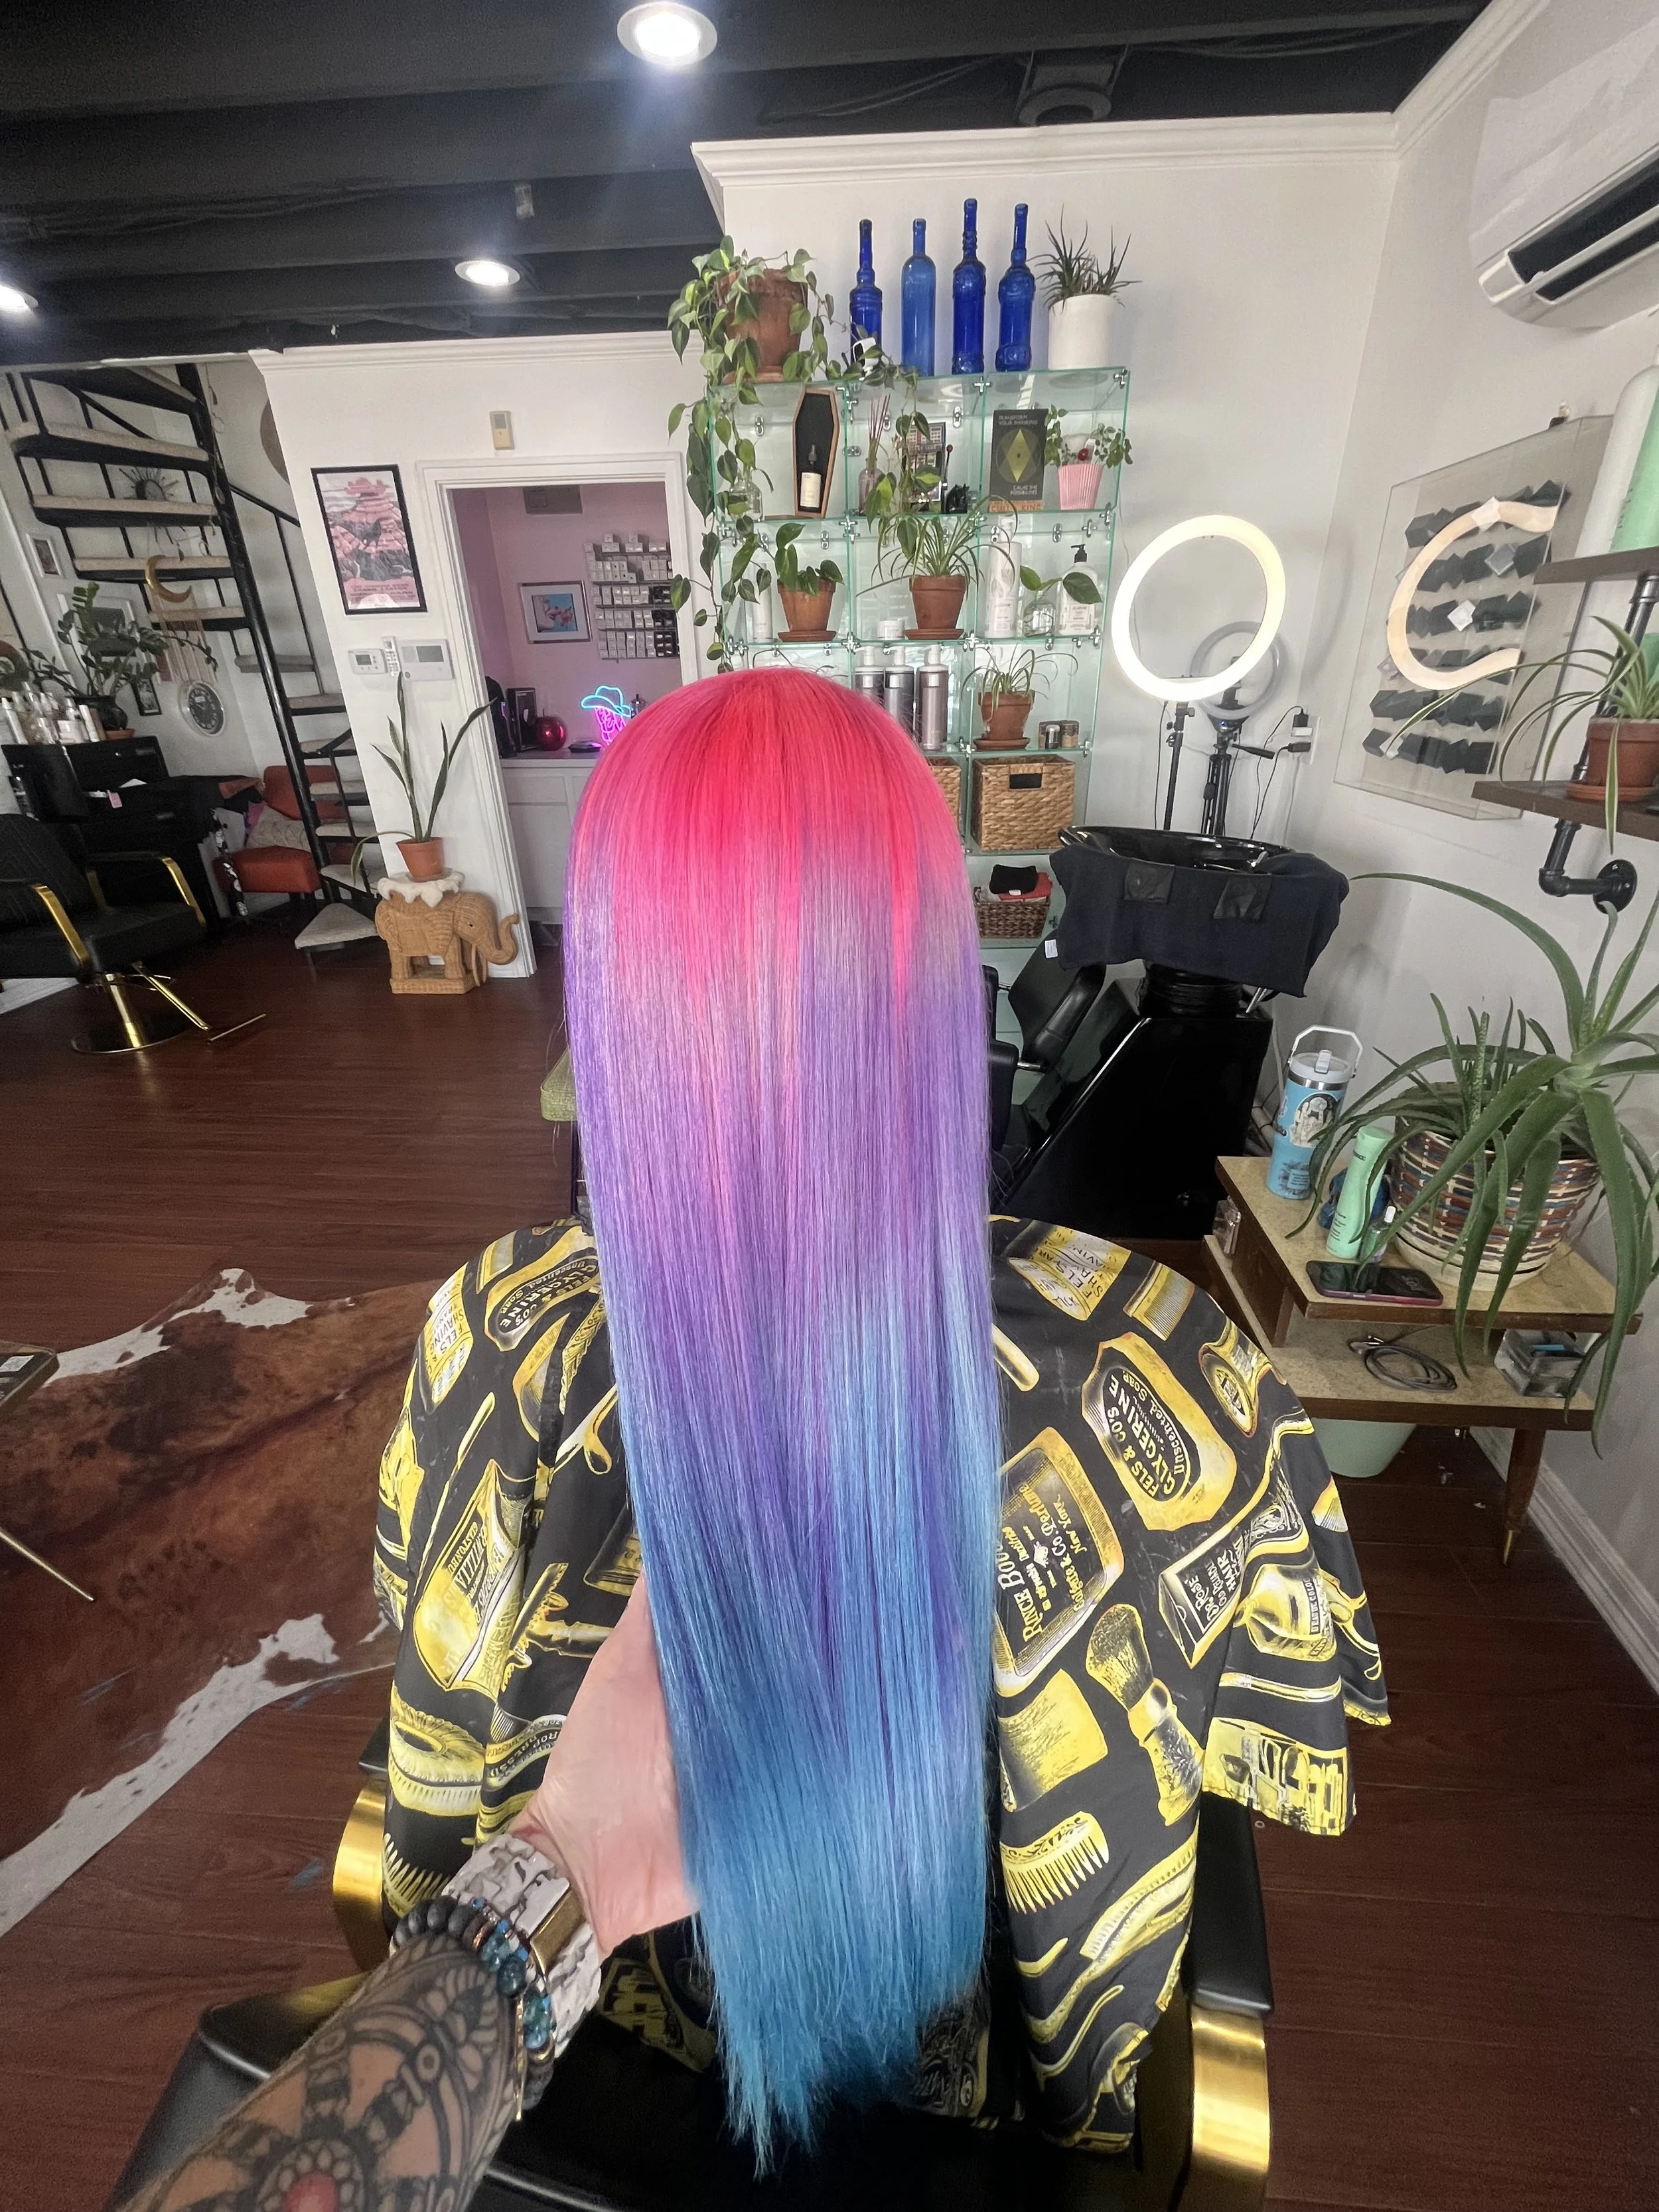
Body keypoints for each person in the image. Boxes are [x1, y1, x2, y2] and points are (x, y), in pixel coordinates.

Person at [121, 668, 1386, 2209]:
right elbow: (1187, 1820)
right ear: (933, 984)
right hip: (967, 2151)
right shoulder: (1175, 1363)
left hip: (561, 2091)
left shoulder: (498, 1335)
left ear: (618, 1002)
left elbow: (434, 1739)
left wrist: (541, 1894)